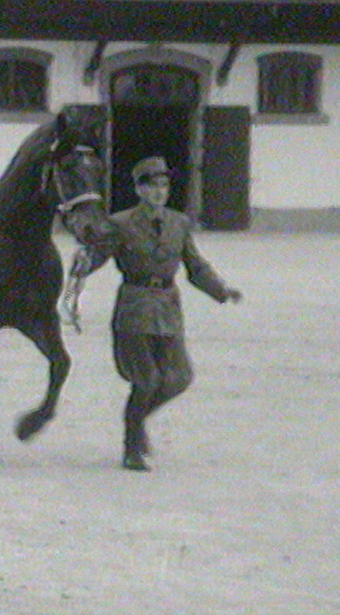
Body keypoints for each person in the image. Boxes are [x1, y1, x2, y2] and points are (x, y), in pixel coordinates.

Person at [84, 155, 242, 471]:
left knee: (179, 378)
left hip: (168, 308)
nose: (159, 192)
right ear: (139, 190)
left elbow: (195, 266)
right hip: (134, 306)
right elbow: (95, 257)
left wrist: (220, 290)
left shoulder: (179, 223)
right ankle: (132, 449)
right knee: (146, 380)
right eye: (152, 185)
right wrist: (80, 264)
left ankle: (136, 420)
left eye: (164, 185)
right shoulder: (121, 223)